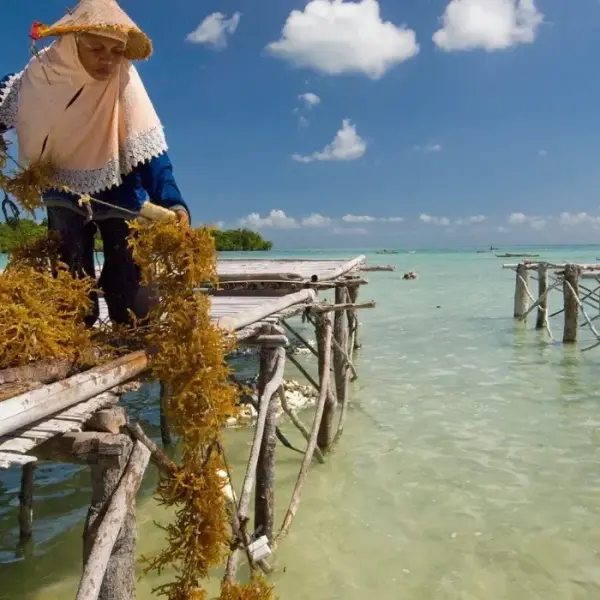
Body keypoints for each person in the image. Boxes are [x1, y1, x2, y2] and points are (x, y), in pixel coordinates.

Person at [0, 0, 191, 327]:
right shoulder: (38, 77)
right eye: (97, 48)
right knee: (71, 278)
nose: (108, 59)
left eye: (116, 51)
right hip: (60, 185)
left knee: (127, 282)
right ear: (73, 45)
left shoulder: (125, 82)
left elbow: (150, 148)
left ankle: (128, 335)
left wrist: (171, 200)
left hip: (120, 186)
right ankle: (77, 338)